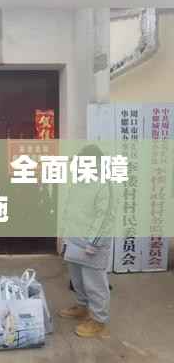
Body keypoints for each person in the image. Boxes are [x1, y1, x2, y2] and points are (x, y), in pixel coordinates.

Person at [58, 144, 114, 338]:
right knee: (77, 279)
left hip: (93, 244)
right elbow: (69, 209)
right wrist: (64, 235)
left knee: (95, 283)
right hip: (74, 241)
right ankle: (82, 307)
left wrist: (94, 242)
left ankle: (99, 320)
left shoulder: (104, 185)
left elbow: (104, 217)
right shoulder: (79, 183)